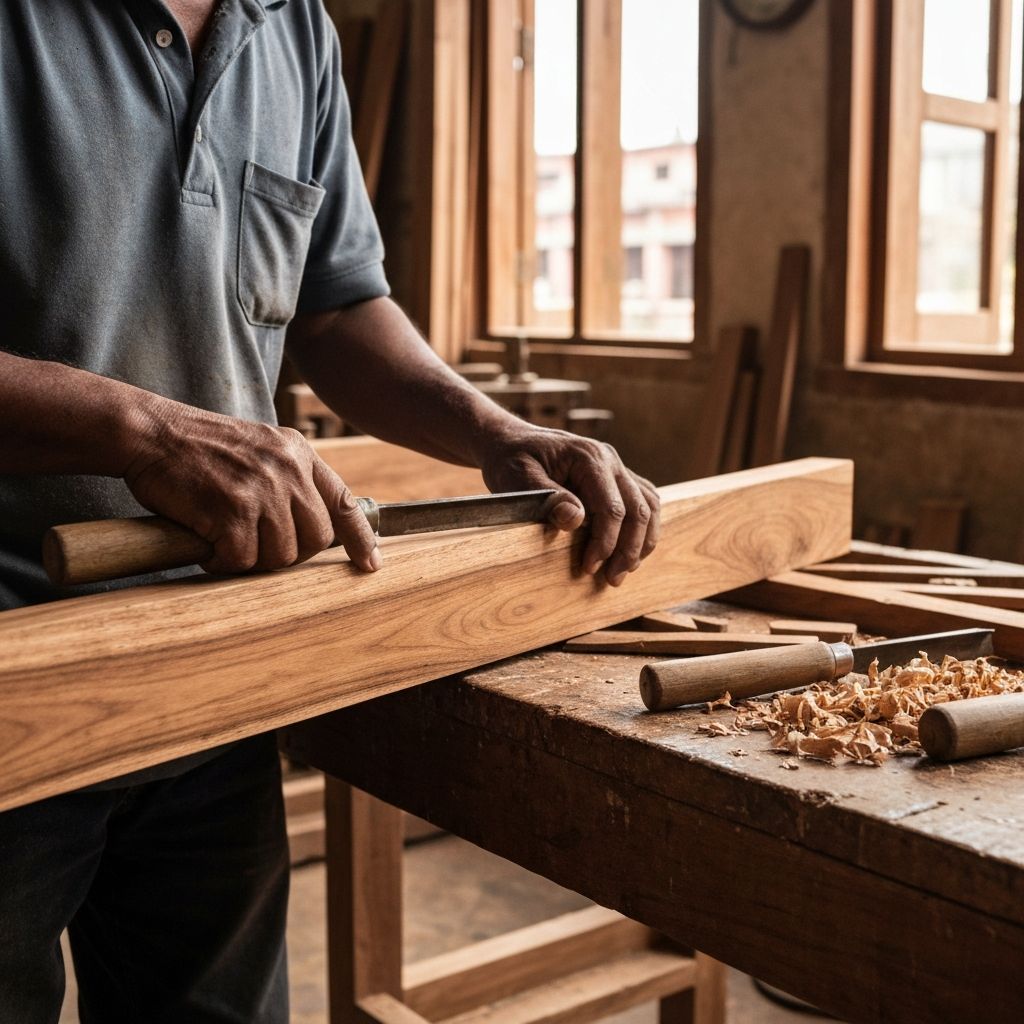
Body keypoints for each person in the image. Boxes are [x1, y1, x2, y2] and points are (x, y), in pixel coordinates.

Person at [0, 2, 661, 1021]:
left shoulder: (292, 25)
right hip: (14, 655)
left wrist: (493, 433)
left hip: (219, 648)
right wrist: (146, 432)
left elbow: (337, 306)